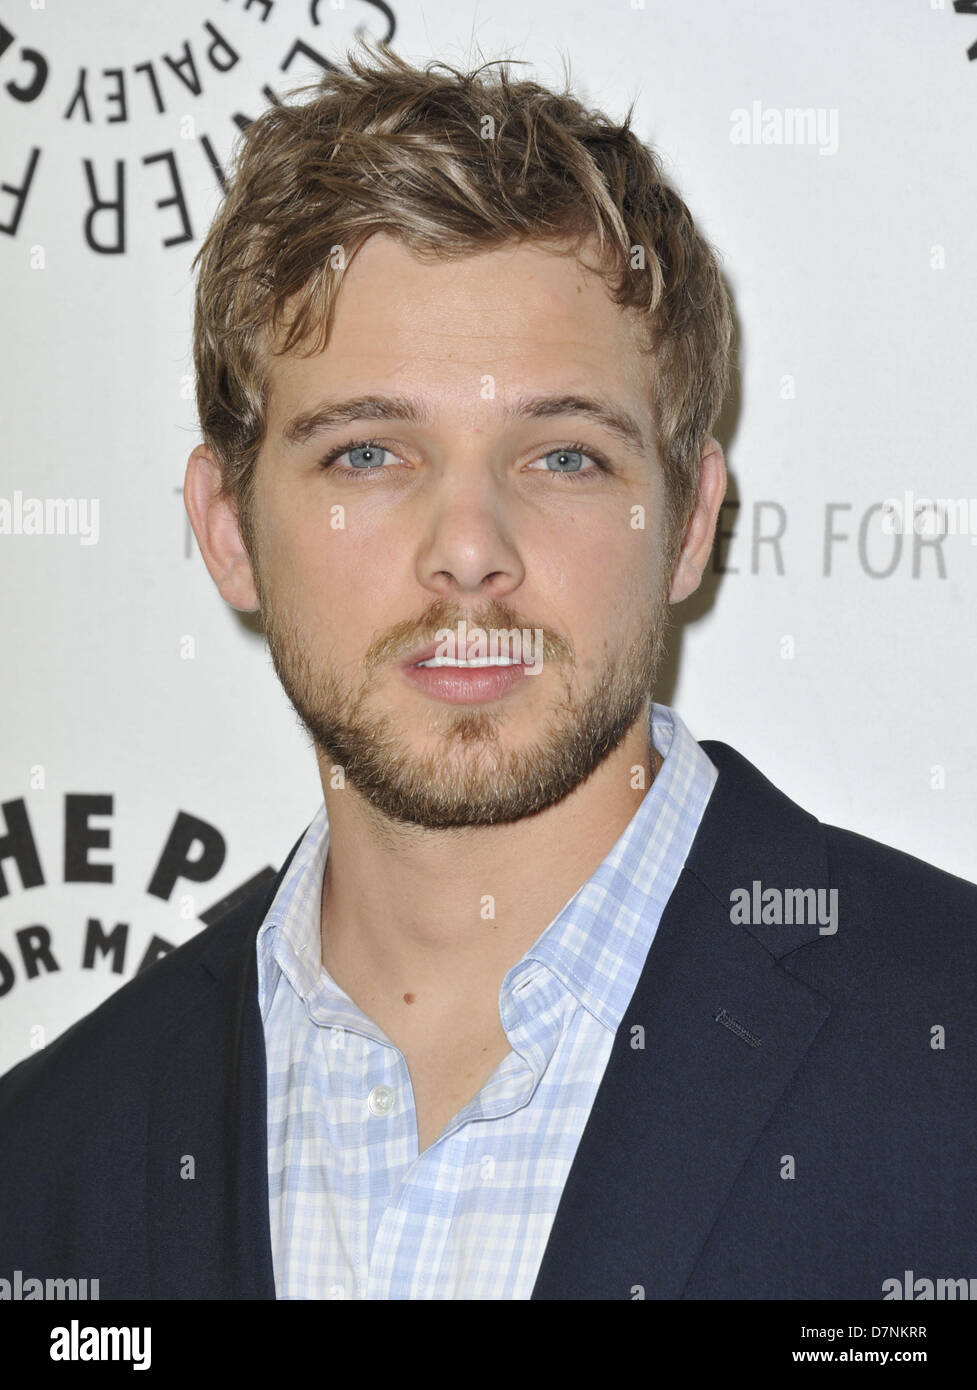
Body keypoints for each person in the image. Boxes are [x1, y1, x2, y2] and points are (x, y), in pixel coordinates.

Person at [2, 40, 975, 1303]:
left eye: (562, 456)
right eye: (366, 454)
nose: (468, 553)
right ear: (228, 530)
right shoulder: (43, 1168)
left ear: (686, 523)